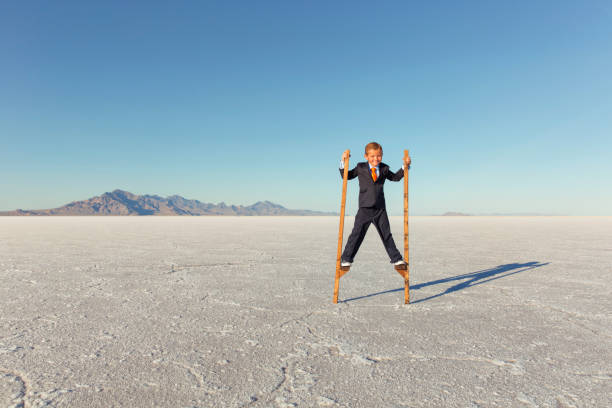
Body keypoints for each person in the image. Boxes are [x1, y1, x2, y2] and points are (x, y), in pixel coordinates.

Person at [339, 142, 411, 268]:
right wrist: (343, 162)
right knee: (356, 234)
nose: (375, 159)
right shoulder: (360, 167)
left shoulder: (384, 168)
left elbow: (395, 178)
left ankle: (396, 259)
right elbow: (347, 176)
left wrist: (405, 166)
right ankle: (346, 258)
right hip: (364, 208)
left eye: (378, 156)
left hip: (380, 208)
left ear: (382, 155)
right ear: (366, 156)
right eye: (372, 156)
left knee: (386, 234)